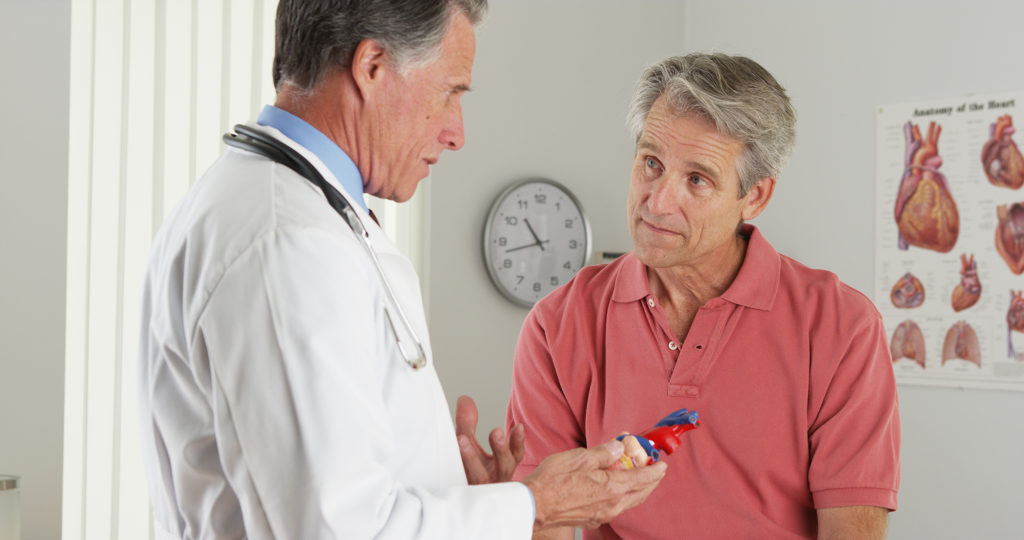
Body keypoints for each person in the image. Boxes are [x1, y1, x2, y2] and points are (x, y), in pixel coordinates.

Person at [136, 1, 666, 538]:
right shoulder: (287, 245)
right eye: (450, 93)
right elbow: (335, 529)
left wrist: (466, 501)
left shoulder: (294, 214)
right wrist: (532, 506)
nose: (457, 133)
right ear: (372, 67)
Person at [507, 53, 901, 539]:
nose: (657, 200)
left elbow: (852, 531)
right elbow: (545, 523)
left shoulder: (842, 327)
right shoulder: (558, 324)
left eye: (697, 179)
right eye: (651, 163)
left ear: (754, 196)